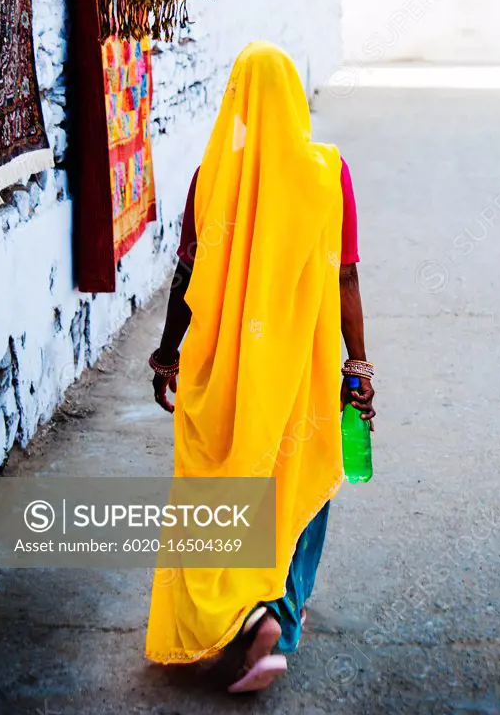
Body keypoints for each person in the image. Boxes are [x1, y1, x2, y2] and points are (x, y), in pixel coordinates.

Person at [145, 41, 376, 693]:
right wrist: (356, 365)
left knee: (216, 489)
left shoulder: (211, 175)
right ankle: (276, 615)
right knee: (293, 478)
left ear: (236, 101)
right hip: (296, 371)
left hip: (224, 375)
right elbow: (346, 277)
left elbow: (187, 277)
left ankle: (236, 615)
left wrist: (167, 355)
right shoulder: (329, 174)